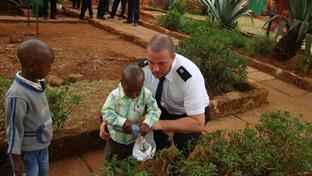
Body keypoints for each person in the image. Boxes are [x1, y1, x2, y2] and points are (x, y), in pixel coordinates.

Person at [100, 33, 210, 152]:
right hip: (158, 108)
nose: (155, 69)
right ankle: (161, 144)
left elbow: (198, 123)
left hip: (187, 114)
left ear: (173, 57)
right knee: (150, 140)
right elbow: (120, 98)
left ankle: (177, 166)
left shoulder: (189, 77)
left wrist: (161, 124)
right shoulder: (142, 69)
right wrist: (106, 123)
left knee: (185, 142)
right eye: (151, 62)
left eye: (161, 63)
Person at [4, 39, 54, 176]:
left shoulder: (36, 84)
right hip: (27, 151)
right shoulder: (17, 95)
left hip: (42, 146)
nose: (50, 69)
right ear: (32, 67)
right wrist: (16, 160)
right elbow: (13, 128)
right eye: (48, 66)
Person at [101, 65, 160, 160]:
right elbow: (106, 112)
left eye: (137, 91)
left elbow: (155, 110)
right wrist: (123, 122)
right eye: (129, 91)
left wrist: (147, 122)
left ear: (142, 83)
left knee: (132, 160)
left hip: (134, 139)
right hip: (116, 138)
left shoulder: (146, 95)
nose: (133, 95)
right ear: (121, 83)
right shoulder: (114, 96)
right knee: (113, 159)